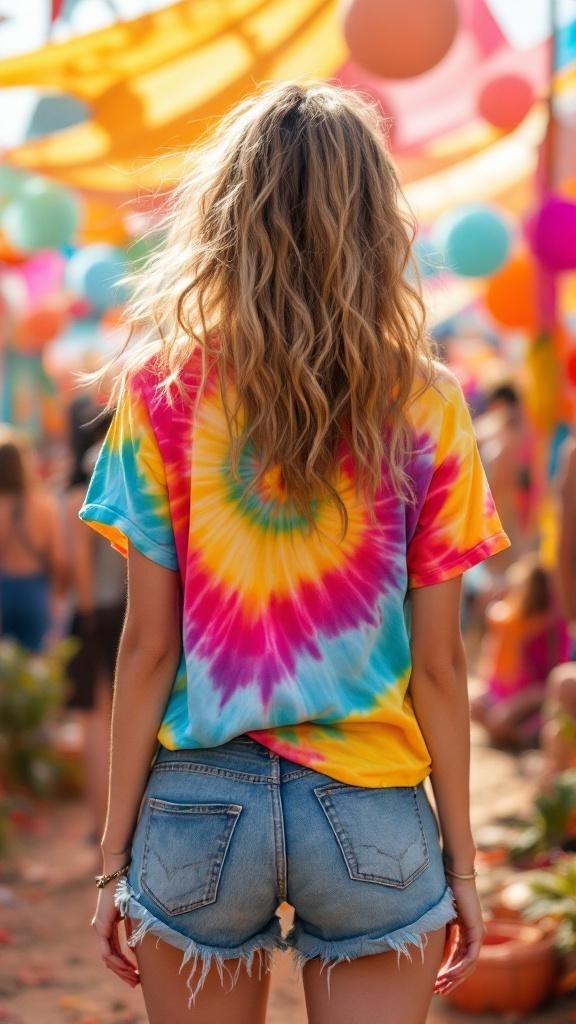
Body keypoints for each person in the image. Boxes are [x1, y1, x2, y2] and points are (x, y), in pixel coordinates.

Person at [83, 83, 510, 1024]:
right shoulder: (430, 405)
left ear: (227, 216)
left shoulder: (160, 392)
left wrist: (115, 856)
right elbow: (439, 664)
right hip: (372, 810)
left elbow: (148, 648)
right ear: (374, 223)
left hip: (198, 806)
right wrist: (465, 868)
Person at [66, 403, 127, 843]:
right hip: (131, 606)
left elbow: (79, 563)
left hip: (97, 611)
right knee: (126, 716)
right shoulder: (129, 471)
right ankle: (121, 822)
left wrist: (84, 612)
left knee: (97, 719)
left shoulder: (85, 484)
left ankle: (99, 824)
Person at [471, 557, 570, 748]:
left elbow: (545, 686)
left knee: (502, 721)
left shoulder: (554, 630)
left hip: (538, 699)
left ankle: (520, 737)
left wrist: (515, 706)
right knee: (475, 705)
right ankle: (510, 733)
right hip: (513, 695)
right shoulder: (514, 624)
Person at [0, 424, 66, 652]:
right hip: (34, 589)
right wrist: (55, 597)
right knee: (35, 666)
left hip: (3, 587)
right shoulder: (43, 505)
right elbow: (57, 559)